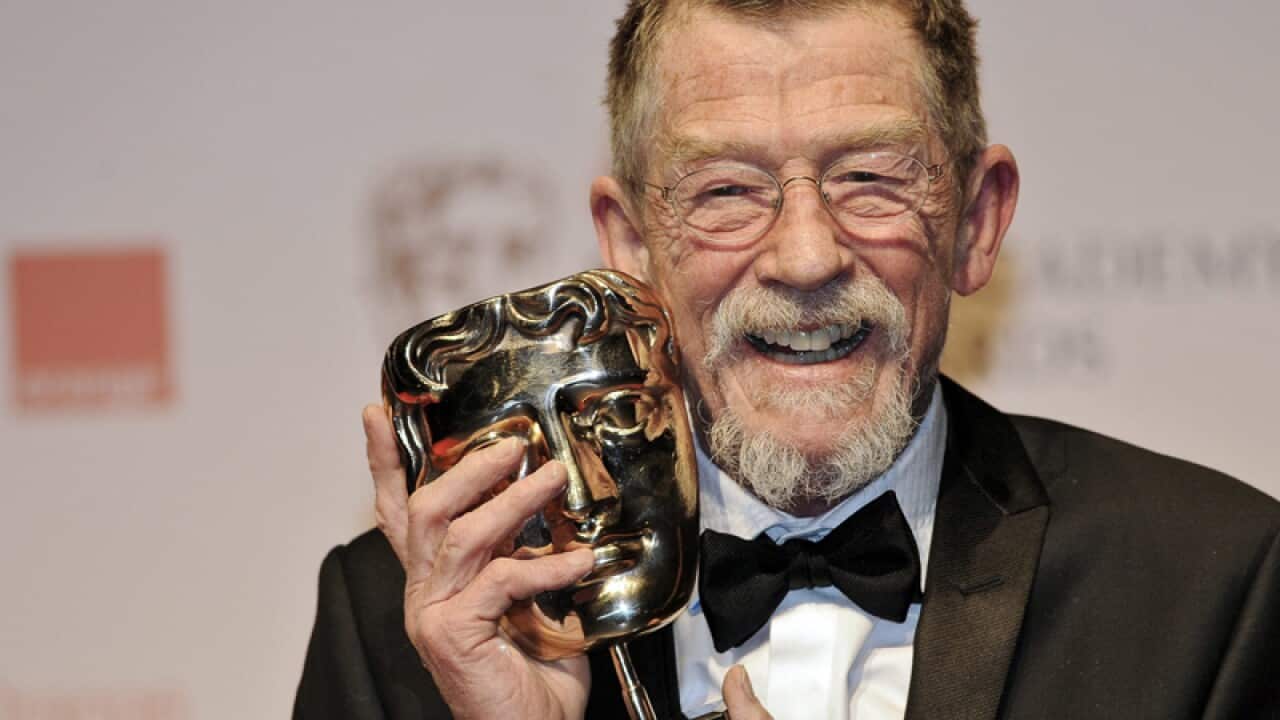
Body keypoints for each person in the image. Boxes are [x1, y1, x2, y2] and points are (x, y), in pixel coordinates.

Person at [295, 1, 1280, 718]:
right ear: (631, 246)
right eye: (725, 190)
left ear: (976, 223)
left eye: (869, 178)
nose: (805, 258)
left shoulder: (1209, 582)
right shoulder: (418, 622)